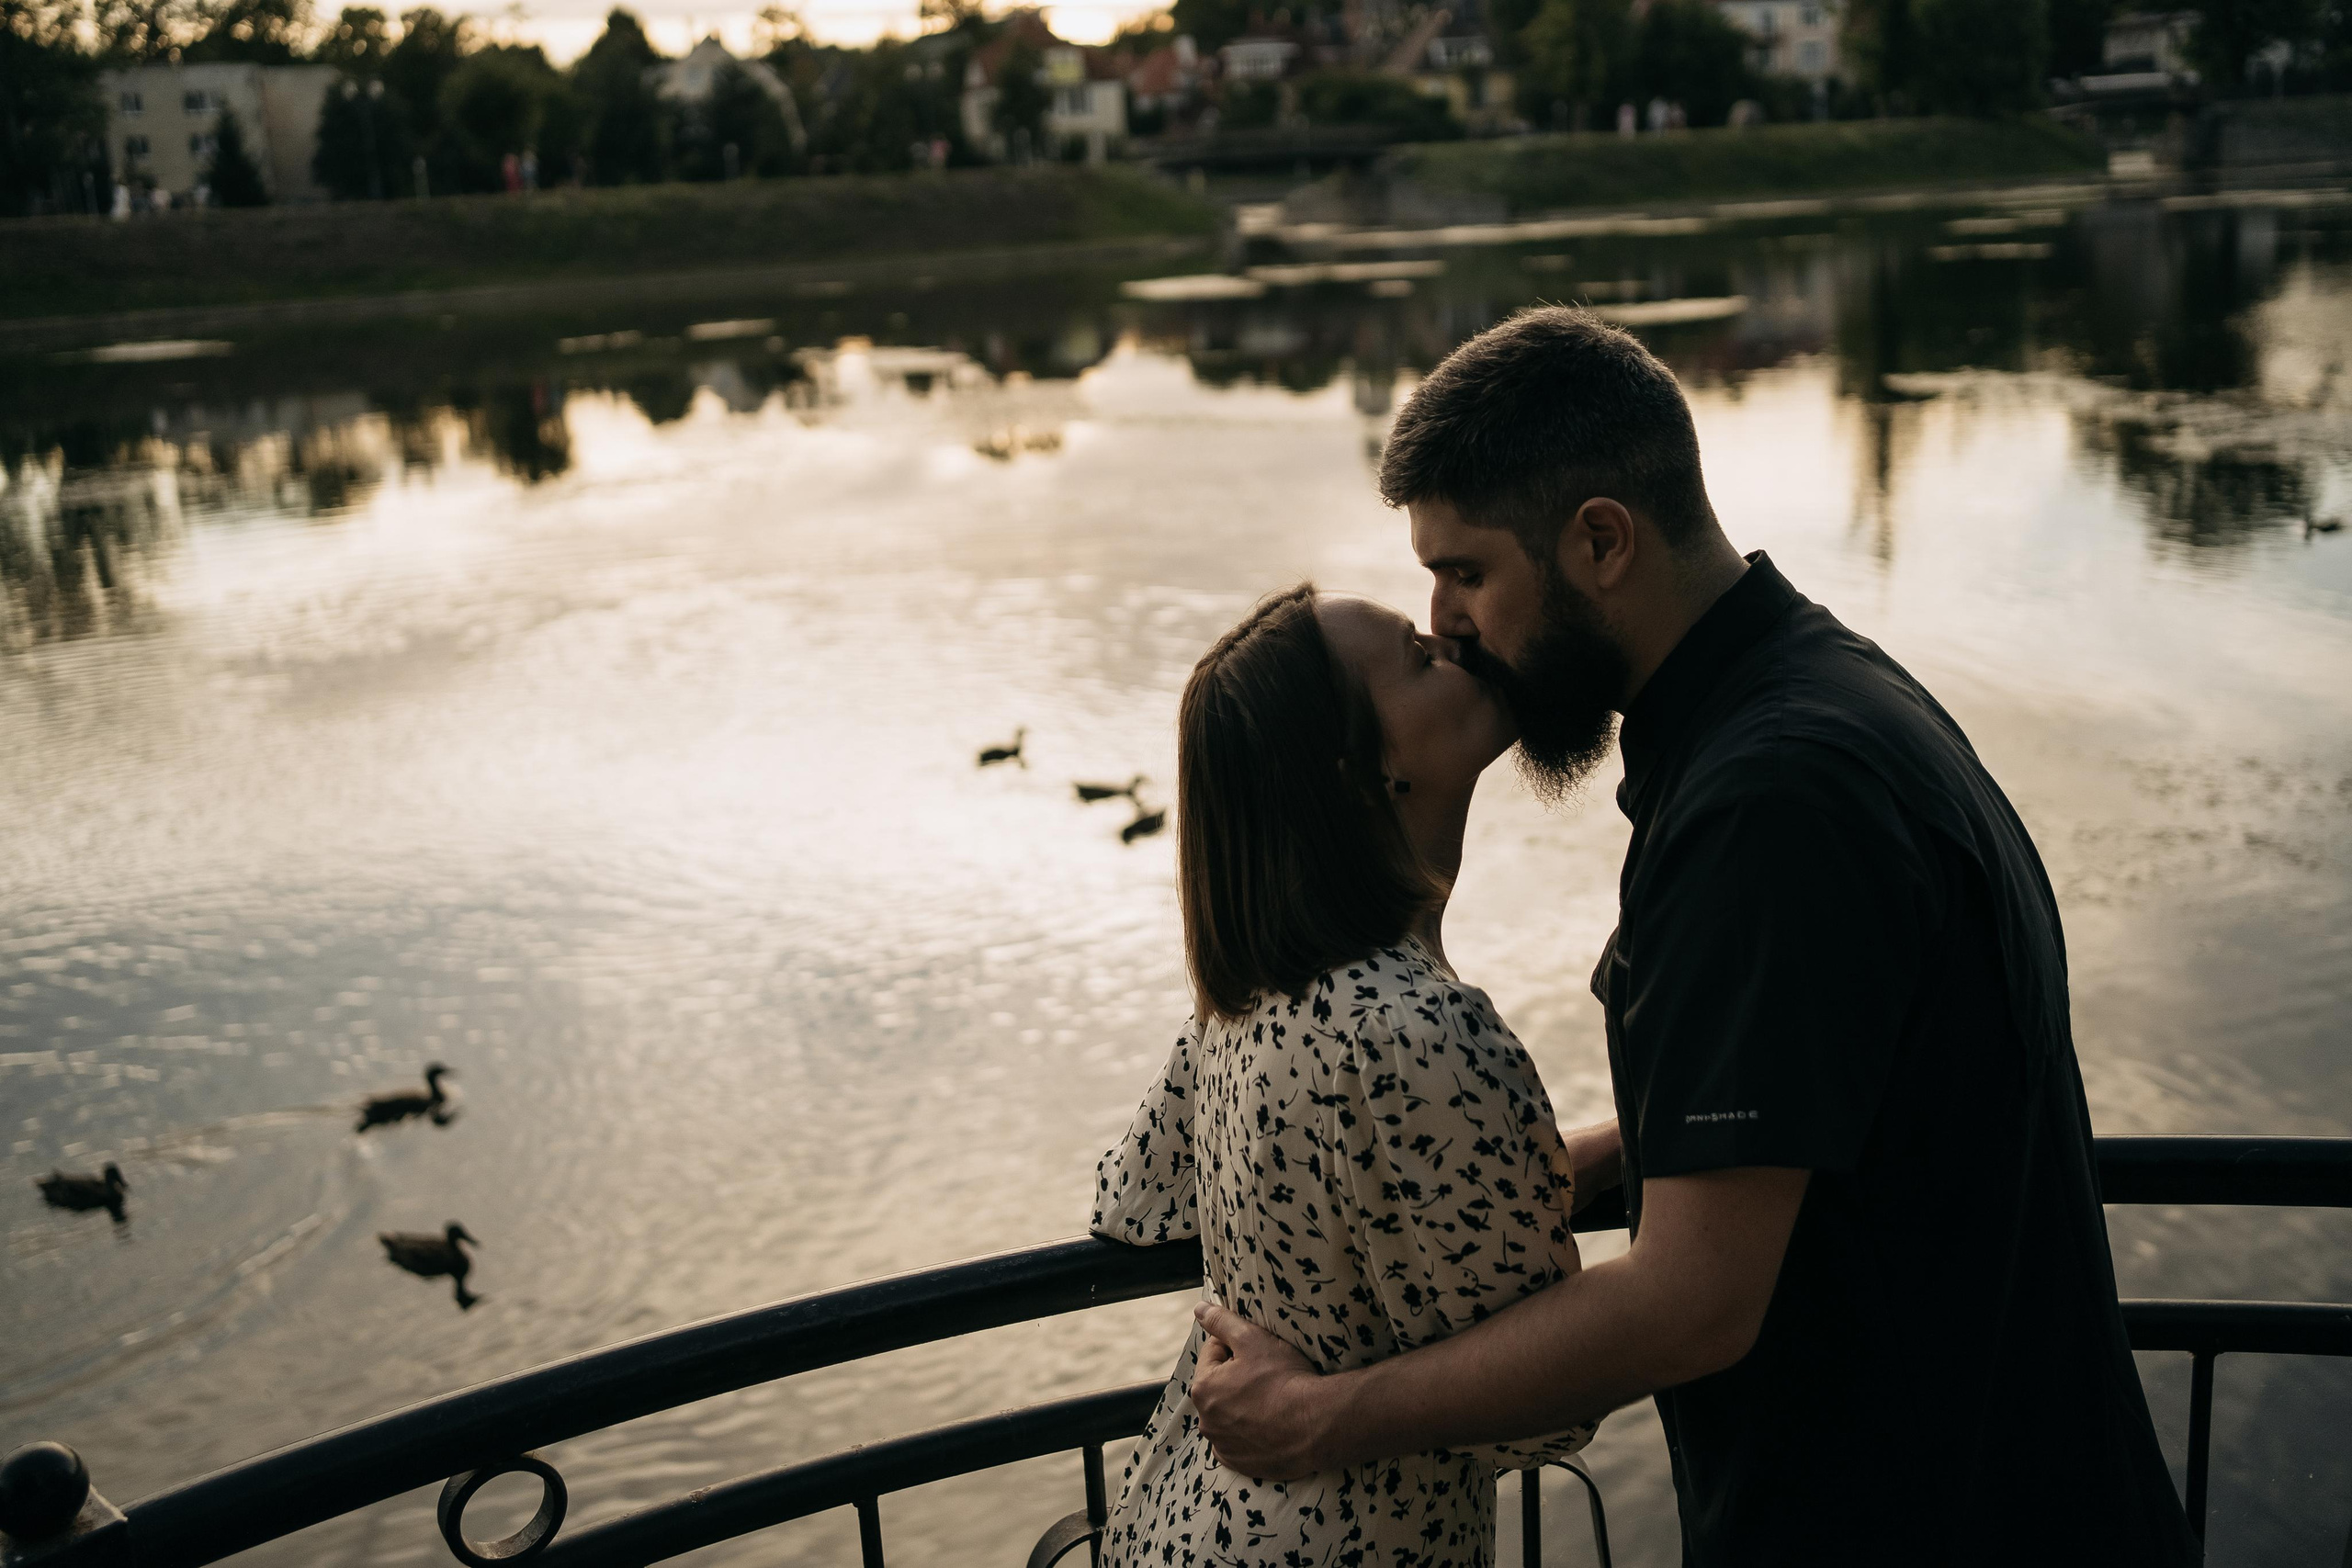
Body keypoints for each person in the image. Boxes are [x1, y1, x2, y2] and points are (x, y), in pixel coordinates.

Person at [1185, 308, 2200, 1565]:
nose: (1445, 623)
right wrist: (1617, 1153)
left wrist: (1321, 1414)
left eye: (1467, 572)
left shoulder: (1767, 801)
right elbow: (1849, 1085)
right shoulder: (1810, 692)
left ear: (1600, 539)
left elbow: (1691, 1303)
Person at [1090, 584, 1599, 1568]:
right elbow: (1550, 1415)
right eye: (1417, 656)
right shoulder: (1418, 1031)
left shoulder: (1246, 1005)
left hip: (1187, 1526)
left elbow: (1134, 1203)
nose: (1456, 643)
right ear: (1366, 772)